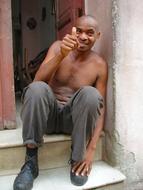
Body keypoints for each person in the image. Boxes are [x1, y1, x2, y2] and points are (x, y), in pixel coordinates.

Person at [13, 15, 108, 190]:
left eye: (90, 33)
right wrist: (61, 55)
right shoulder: (58, 47)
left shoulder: (99, 64)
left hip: (72, 121)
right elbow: (37, 81)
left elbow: (100, 109)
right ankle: (30, 162)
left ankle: (77, 158)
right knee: (36, 89)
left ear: (98, 36)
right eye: (79, 31)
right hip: (46, 117)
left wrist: (91, 150)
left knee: (91, 94)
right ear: (72, 30)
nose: (83, 37)